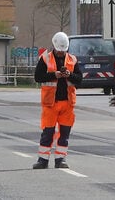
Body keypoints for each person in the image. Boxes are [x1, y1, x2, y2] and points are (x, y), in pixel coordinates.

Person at [33, 31, 83, 169]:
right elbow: (38, 77)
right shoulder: (45, 59)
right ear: (54, 46)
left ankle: (60, 159)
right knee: (47, 133)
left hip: (67, 104)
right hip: (50, 104)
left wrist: (69, 75)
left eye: (63, 51)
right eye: (59, 51)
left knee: (64, 134)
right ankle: (42, 160)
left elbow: (79, 79)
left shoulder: (72, 60)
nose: (61, 53)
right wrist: (53, 75)